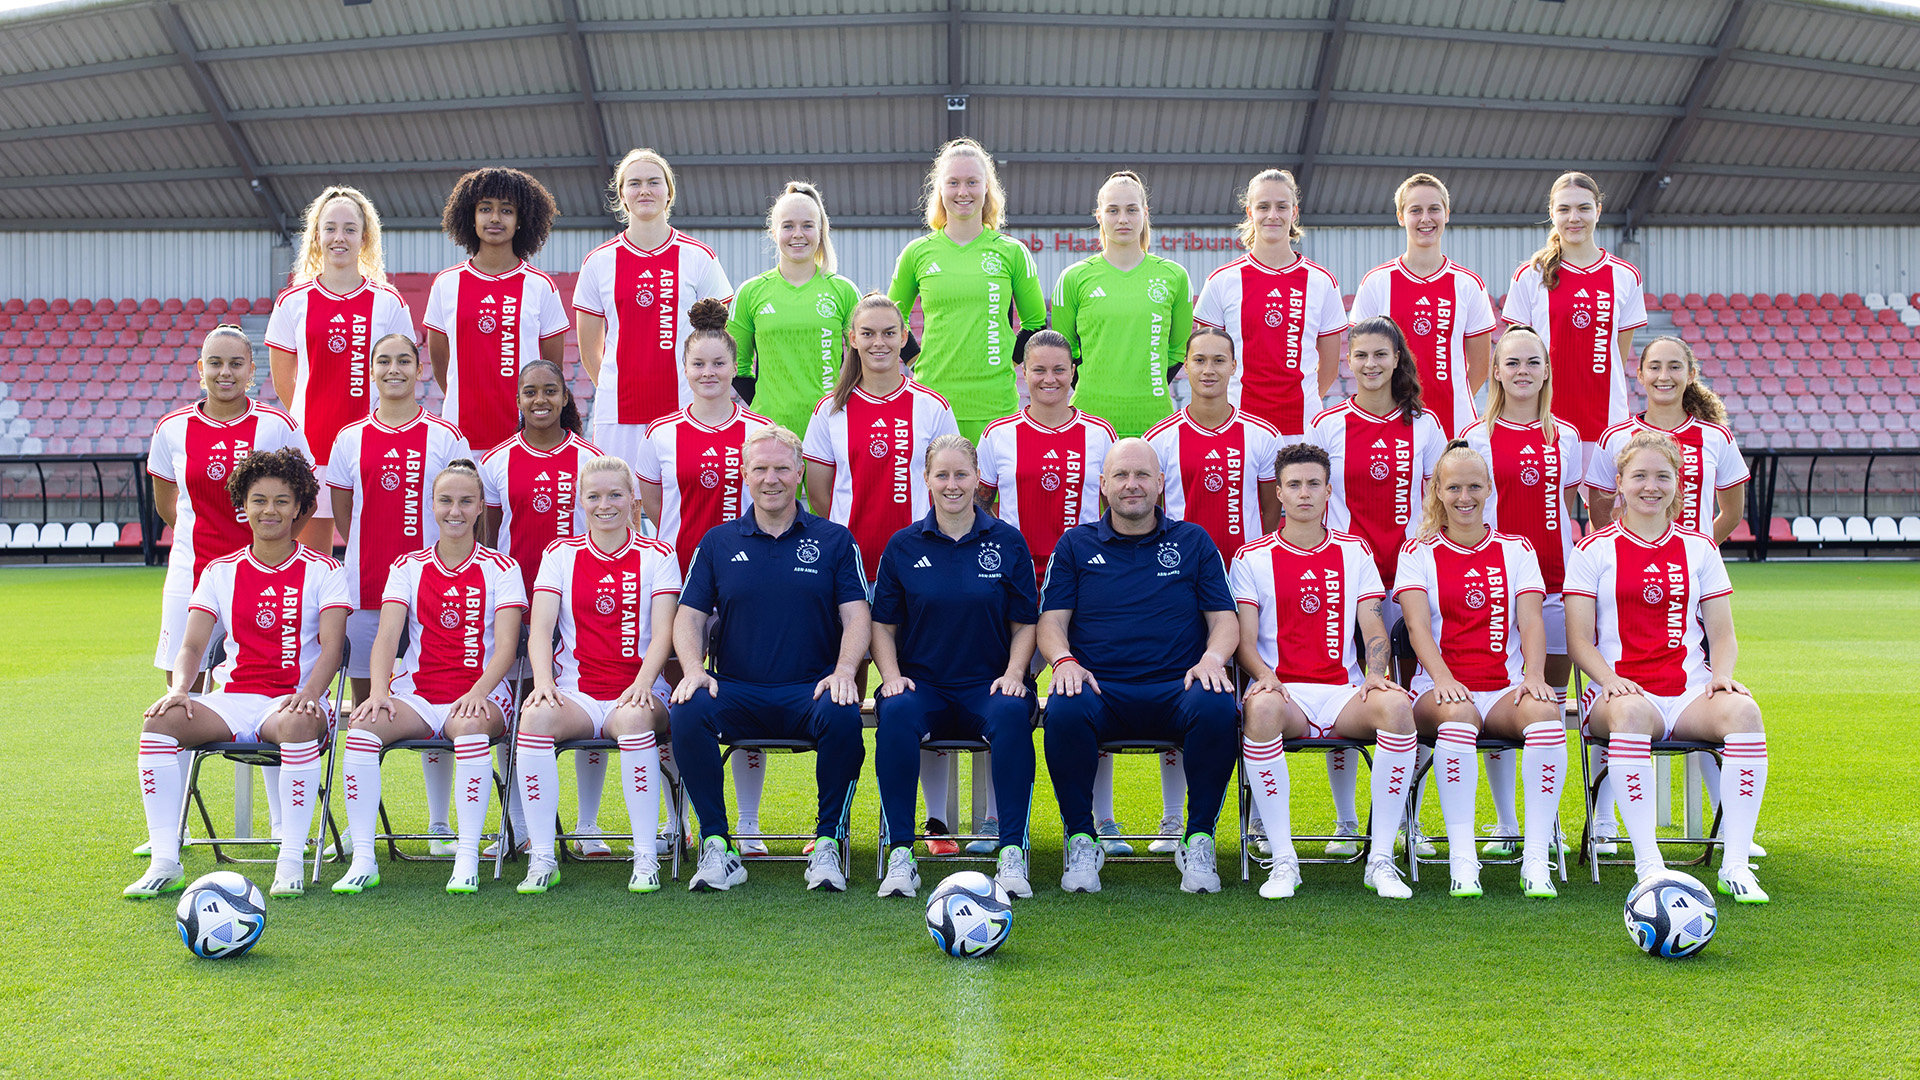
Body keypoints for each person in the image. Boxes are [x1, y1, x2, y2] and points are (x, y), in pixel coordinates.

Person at [124, 447, 349, 900]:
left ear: (301, 507)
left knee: (299, 723)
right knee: (158, 723)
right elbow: (190, 644)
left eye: (282, 500)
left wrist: (308, 693)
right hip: (233, 700)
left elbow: (332, 649)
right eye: (259, 499)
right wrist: (181, 690)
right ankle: (166, 859)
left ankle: (290, 860)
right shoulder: (219, 570)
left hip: (291, 701)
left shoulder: (325, 570)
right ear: (242, 506)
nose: (270, 510)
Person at [1565, 432, 1771, 903]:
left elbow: (1722, 634)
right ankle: (1649, 865)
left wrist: (1722, 674)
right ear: (1619, 483)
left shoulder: (1700, 548)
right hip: (1619, 694)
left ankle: (1735, 864)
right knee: (1633, 715)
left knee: (1745, 712)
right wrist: (1610, 681)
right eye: (1639, 476)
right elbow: (1578, 640)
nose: (1650, 486)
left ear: (1678, 485)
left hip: (1687, 694)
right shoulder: (1592, 550)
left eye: (1662, 476)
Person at [669, 427, 870, 893]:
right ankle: (718, 845)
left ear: (800, 473)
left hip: (811, 690)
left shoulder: (835, 540)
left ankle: (827, 845)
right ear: (744, 474)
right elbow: (688, 617)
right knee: (688, 708)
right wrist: (696, 671)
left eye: (782, 468)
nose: (771, 478)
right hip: (737, 690)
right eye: (760, 468)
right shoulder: (718, 542)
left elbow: (858, 616)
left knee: (843, 713)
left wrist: (843, 672)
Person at [1038, 438, 1239, 895]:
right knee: (1064, 707)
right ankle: (1082, 838)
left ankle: (1199, 836)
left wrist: (1212, 659)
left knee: (1216, 703)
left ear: (1161, 484)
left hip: (1175, 687)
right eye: (1122, 476)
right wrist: (1065, 660)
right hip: (1101, 689)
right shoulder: (1075, 545)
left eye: (1143, 475)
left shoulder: (1193, 541)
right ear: (1103, 485)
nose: (1133, 485)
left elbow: (1224, 619)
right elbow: (1050, 623)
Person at [144, 325, 310, 852]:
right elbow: (167, 504)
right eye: (214, 363)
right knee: (182, 693)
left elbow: (300, 495)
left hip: (267, 577)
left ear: (252, 371)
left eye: (236, 363)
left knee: (267, 686)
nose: (225, 373)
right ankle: (172, 828)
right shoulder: (171, 429)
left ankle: (284, 826)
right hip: (192, 574)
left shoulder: (275, 425)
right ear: (200, 369)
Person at [1229, 442, 1420, 900]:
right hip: (1286, 692)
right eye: (1293, 485)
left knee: (1396, 706)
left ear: (1329, 490)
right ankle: (1282, 860)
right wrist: (1263, 676)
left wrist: (1376, 671)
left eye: (1313, 483)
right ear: (1278, 492)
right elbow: (1245, 640)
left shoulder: (1354, 551)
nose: (1304, 493)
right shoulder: (1251, 557)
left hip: (1342, 692)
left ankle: (1381, 860)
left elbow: (1373, 623)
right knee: (1260, 713)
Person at [332, 461, 525, 896]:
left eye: (465, 501)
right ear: (432, 505)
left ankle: (468, 856)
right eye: (445, 500)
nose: (454, 510)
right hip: (418, 695)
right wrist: (378, 693)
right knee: (362, 726)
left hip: (482, 694)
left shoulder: (502, 567)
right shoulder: (408, 565)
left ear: (480, 508)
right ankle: (364, 858)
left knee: (472, 727)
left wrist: (477, 693)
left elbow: (508, 649)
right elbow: (385, 638)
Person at [871, 435, 1039, 899]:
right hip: (923, 684)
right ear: (925, 480)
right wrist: (890, 677)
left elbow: (1026, 622)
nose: (952, 484)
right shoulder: (903, 545)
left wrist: (1013, 673)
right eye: (941, 475)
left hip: (987, 684)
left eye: (961, 474)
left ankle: (1011, 851)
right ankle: (902, 852)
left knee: (1010, 713)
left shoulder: (1006, 541)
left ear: (977, 479)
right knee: (898, 713)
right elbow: (881, 625)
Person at [1393, 442, 1564, 898]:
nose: (1464, 496)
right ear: (1437, 491)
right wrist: (1445, 680)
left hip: (1505, 687)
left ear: (1489, 488)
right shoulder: (1418, 551)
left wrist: (1533, 676)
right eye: (1453, 487)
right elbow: (1415, 627)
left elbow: (1530, 620)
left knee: (1547, 716)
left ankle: (1536, 858)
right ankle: (1464, 860)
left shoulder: (1517, 548)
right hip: (1440, 689)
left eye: (1473, 486)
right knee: (1459, 716)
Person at [634, 297, 775, 850]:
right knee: (679, 702)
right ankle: (677, 819)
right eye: (699, 365)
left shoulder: (760, 430)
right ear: (685, 369)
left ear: (734, 367)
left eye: (719, 364)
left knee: (745, 695)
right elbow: (652, 504)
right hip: (679, 590)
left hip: (746, 584)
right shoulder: (660, 434)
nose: (709, 374)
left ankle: (749, 821)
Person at [514, 456, 683, 894]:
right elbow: (541, 630)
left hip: (644, 689)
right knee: (533, 719)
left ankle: (646, 857)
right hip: (579, 693)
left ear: (634, 500)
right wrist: (545, 683)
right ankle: (543, 858)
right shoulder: (559, 554)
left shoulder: (658, 554)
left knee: (631, 721)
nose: (604, 504)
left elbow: (665, 632)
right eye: (594, 496)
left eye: (614, 495)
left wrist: (643, 685)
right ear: (580, 501)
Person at [1142, 325, 1282, 849]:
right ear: (1184, 367)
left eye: (1218, 360)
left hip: (1244, 587)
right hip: (1177, 586)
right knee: (1180, 689)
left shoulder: (1262, 437)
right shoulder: (1161, 440)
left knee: (1253, 695)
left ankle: (1261, 818)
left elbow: (1270, 514)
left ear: (1233, 367)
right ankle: (1172, 819)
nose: (1207, 370)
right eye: (1198, 359)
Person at [1310, 316, 1445, 854]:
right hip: (1348, 580)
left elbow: (1440, 500)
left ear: (1397, 360)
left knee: (1411, 699)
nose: (1370, 364)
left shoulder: (1425, 425)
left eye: (1380, 355)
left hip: (1410, 578)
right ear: (1349, 360)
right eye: (1360, 355)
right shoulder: (1327, 426)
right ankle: (1347, 823)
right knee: (1350, 692)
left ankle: (1404, 817)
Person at [976, 333, 1114, 853]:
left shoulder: (1099, 434)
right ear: (1022, 372)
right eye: (1039, 369)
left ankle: (1102, 821)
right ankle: (994, 819)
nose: (1049, 379)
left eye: (1059, 370)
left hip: (1078, 593)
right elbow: (981, 508)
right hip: (1010, 593)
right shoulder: (998, 436)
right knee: (1002, 697)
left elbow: (1110, 514)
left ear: (1073, 374)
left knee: (1085, 694)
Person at [1460, 325, 1585, 853]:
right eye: (1511, 363)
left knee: (1548, 702)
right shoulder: (1477, 438)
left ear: (1547, 369)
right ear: (1495, 371)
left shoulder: (1568, 436)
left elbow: (1572, 509)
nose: (1522, 372)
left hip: (1556, 586)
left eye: (1532, 362)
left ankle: (1544, 820)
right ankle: (1508, 824)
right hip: (1496, 585)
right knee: (1499, 695)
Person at [477, 358, 605, 858]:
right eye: (530, 392)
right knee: (520, 714)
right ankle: (519, 827)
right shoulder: (496, 462)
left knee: (585, 702)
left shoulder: (589, 460)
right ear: (518, 401)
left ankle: (589, 827)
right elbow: (486, 537)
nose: (540, 401)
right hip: (516, 607)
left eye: (550, 391)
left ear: (566, 398)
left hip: (579, 608)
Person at [266, 184, 415, 549]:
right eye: (330, 227)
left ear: (364, 237)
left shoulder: (388, 302)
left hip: (373, 449)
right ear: (316, 235)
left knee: (373, 551)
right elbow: (285, 381)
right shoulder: (293, 301)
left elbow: (403, 374)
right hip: (311, 449)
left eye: (350, 229)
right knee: (313, 560)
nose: (339, 237)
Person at [325, 333, 472, 699]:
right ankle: (365, 757)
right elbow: (345, 512)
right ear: (370, 371)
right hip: (365, 587)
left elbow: (465, 508)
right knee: (365, 701)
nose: (394, 369)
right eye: (384, 361)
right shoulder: (349, 438)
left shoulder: (446, 436)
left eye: (404, 361)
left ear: (420, 370)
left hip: (435, 590)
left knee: (439, 694)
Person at [574, 148, 733, 469]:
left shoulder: (698, 256)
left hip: (686, 405)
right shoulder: (599, 261)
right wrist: (613, 386)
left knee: (685, 503)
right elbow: (589, 348)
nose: (644, 190)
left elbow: (721, 336)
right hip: (618, 412)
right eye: (634, 183)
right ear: (622, 195)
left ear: (669, 193)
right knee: (618, 503)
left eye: (653, 182)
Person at [887, 137, 1046, 441]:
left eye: (972, 182)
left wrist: (1006, 362)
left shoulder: (1011, 252)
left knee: (991, 490)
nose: (963, 192)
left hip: (994, 404)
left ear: (987, 187)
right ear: (941, 189)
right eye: (954, 182)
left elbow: (1035, 323)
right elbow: (891, 320)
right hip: (933, 402)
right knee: (938, 487)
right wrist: (914, 361)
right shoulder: (917, 253)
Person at [802, 293, 961, 587]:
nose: (879, 342)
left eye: (889, 333)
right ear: (852, 338)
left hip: (921, 561)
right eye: (867, 333)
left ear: (903, 337)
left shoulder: (932, 406)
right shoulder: (829, 410)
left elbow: (952, 484)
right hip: (851, 564)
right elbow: (819, 496)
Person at [1501, 172, 1648, 468]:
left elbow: (1618, 355)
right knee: (1543, 513)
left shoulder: (1624, 276)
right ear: (1551, 213)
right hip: (1544, 419)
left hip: (1607, 423)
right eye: (1564, 209)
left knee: (1609, 514)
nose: (1574, 218)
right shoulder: (1531, 275)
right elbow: (1516, 354)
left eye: (1583, 208)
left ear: (1599, 210)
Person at [424, 167, 569, 454]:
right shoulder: (446, 283)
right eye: (485, 209)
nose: (494, 218)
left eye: (506, 210)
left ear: (520, 221)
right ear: (471, 217)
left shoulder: (540, 286)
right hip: (460, 438)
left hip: (523, 439)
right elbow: (440, 362)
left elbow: (552, 366)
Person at [1193, 168, 1345, 437]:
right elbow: (1206, 359)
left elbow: (1331, 367)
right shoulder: (1222, 280)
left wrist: (1301, 400)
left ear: (1294, 212)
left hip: (1303, 428)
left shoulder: (1321, 281)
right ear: (1250, 212)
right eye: (1263, 207)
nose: (1273, 215)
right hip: (1239, 427)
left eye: (1281, 207)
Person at [1348, 173, 1496, 438]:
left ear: (1447, 214)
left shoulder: (1468, 284)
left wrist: (1451, 401)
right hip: (1391, 420)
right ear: (1401, 216)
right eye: (1415, 210)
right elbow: (1361, 354)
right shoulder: (1377, 282)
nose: (1425, 219)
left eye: (1434, 209)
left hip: (1454, 425)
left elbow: (1480, 365)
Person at [1050, 171, 1194, 438]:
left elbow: (1178, 350)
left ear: (1145, 213)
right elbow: (1065, 351)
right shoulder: (1073, 278)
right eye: (1113, 211)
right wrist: (1095, 388)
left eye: (1131, 210)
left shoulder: (1174, 277)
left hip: (1154, 420)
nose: (1123, 219)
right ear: (1099, 216)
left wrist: (1145, 386)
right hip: (1090, 420)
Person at [726, 181, 861, 435]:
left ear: (820, 230)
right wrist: (765, 408)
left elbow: (862, 358)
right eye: (788, 226)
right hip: (770, 433)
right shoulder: (750, 292)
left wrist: (841, 402)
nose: (798, 234)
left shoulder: (843, 291)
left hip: (829, 428)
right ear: (774, 232)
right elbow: (737, 366)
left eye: (807, 226)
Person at [1586, 336, 1749, 542]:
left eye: (1674, 367)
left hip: (1693, 572)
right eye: (1654, 367)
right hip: (1633, 569)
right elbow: (1599, 517)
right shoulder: (1615, 437)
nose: (1664, 376)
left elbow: (1732, 514)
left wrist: (1698, 552)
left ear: (1691, 375)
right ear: (1640, 375)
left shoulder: (1717, 437)